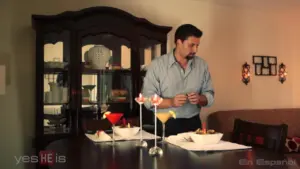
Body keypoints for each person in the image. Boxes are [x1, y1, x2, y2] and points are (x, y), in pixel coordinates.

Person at [142, 24, 215, 137]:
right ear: (178, 42)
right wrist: (170, 102)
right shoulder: (157, 65)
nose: (195, 50)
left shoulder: (202, 65)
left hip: (194, 124)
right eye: (191, 45)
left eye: (197, 45)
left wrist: (200, 98)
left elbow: (209, 94)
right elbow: (147, 99)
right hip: (166, 124)